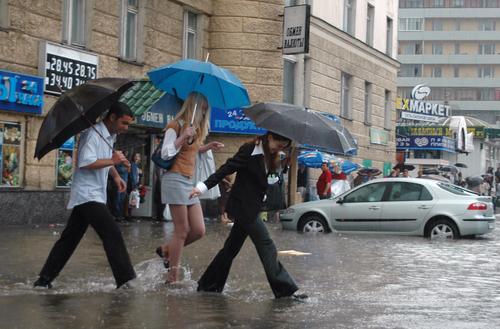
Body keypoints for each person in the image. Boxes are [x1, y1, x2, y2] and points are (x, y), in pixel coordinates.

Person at [189, 131, 306, 299]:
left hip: (252, 206)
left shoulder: (270, 155)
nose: (279, 150)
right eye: (279, 146)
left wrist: (283, 164)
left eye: (283, 148)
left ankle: (208, 285)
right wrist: (201, 188)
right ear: (270, 137)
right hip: (243, 207)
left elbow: (264, 181)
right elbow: (225, 169)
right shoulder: (249, 150)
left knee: (230, 249)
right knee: (267, 244)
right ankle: (285, 291)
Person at [33, 102, 137, 289]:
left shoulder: (108, 135)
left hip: (93, 194)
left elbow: (104, 160)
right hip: (88, 194)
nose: (125, 128)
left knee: (69, 239)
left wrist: (115, 176)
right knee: (112, 233)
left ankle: (44, 280)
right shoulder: (92, 134)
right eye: (124, 123)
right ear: (112, 117)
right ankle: (126, 280)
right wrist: (113, 160)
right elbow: (85, 162)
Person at [156, 92, 223, 283]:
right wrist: (182, 136)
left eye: (205, 110)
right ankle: (173, 277)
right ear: (193, 106)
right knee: (182, 229)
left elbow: (191, 150)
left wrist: (208, 146)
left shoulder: (194, 129)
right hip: (174, 178)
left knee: (199, 230)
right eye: (202, 108)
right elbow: (166, 153)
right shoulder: (175, 125)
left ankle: (167, 250)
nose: (204, 113)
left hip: (188, 181)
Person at [114, 150, 129, 222]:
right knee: (118, 200)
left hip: (124, 184)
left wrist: (128, 166)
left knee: (122, 200)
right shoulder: (118, 163)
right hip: (119, 185)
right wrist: (126, 167)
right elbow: (118, 170)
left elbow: (128, 172)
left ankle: (121, 215)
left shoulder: (125, 163)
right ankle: (118, 216)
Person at [126, 152, 142, 219]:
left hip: (134, 184)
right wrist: (134, 186)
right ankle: (128, 216)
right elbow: (132, 176)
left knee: (132, 200)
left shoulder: (136, 166)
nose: (137, 158)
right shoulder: (133, 165)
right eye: (136, 156)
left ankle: (129, 215)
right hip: (132, 185)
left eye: (138, 156)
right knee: (131, 200)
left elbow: (137, 176)